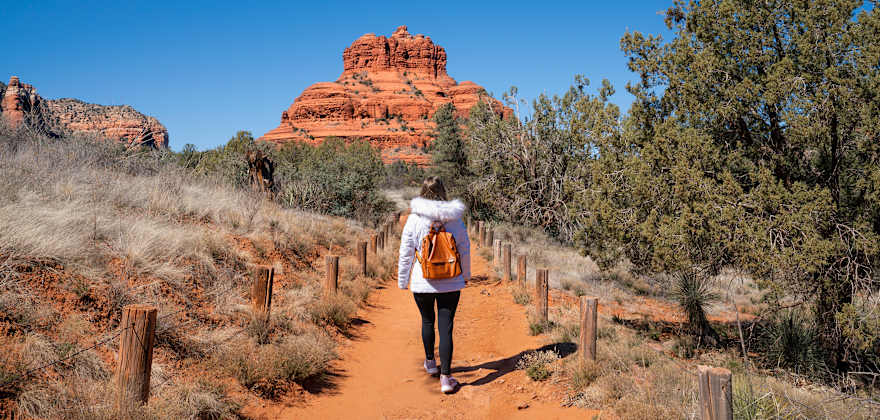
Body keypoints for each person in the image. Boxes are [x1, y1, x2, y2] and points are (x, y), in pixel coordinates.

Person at [397, 176, 470, 394]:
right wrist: (465, 276)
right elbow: (464, 249)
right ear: (443, 191)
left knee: (427, 320)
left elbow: (406, 252)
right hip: (451, 281)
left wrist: (403, 280)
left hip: (423, 281)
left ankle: (430, 363)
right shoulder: (455, 219)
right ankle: (446, 379)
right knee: (446, 327)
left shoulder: (414, 219)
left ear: (422, 192)